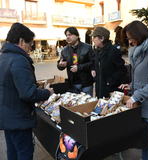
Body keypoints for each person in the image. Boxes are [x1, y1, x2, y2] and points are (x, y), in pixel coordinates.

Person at [0, 22, 54, 160]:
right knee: (24, 153)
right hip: (19, 118)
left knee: (12, 152)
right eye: (30, 44)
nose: (30, 48)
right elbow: (28, 93)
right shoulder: (19, 60)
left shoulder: (3, 57)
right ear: (21, 41)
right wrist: (47, 92)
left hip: (8, 116)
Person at [119, 20, 148, 160]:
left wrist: (136, 95)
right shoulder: (140, 51)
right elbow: (142, 76)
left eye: (130, 36)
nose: (129, 40)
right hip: (144, 102)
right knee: (145, 140)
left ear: (139, 34)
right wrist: (131, 85)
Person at [91, 26, 127, 98]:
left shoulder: (113, 51)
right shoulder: (97, 50)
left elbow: (122, 70)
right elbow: (95, 64)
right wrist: (93, 70)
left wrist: (109, 82)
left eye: (94, 37)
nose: (92, 40)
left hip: (111, 90)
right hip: (99, 89)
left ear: (102, 38)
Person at [57, 27, 94, 95]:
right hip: (73, 84)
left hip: (86, 83)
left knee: (87, 105)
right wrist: (60, 65)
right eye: (66, 35)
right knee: (75, 105)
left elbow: (93, 63)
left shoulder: (87, 47)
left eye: (70, 35)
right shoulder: (64, 50)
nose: (67, 37)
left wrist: (79, 67)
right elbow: (60, 65)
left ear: (77, 36)